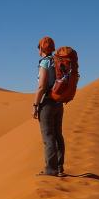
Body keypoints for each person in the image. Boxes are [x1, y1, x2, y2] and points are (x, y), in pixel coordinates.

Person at [33, 36, 65, 177]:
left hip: (47, 103)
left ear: (42, 48)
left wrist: (35, 105)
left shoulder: (45, 63)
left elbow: (41, 87)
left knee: (48, 136)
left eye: (39, 47)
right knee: (58, 135)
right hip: (58, 102)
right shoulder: (57, 61)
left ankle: (51, 169)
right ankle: (59, 167)